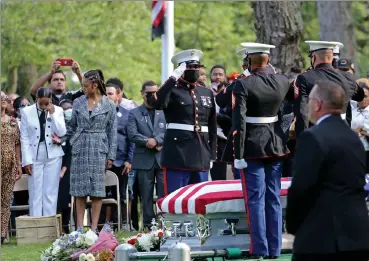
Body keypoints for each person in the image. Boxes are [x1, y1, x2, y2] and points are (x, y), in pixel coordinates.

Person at [286, 81, 369, 261]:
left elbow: (301, 187)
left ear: (317, 104)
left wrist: (293, 225)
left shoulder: (312, 137)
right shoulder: (354, 139)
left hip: (322, 238)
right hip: (357, 235)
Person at [232, 43, 293, 259]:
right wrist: (281, 133)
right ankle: (274, 249)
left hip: (251, 146)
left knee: (255, 198)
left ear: (249, 61)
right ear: (268, 60)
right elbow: (290, 110)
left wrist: (238, 155)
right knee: (273, 197)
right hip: (276, 144)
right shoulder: (283, 81)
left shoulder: (243, 84)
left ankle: (259, 248)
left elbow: (239, 122)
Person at [147, 49, 217, 194]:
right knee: (175, 197)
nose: (194, 70)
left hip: (201, 153)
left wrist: (212, 155)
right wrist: (173, 78)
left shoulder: (206, 92)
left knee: (200, 200)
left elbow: (212, 126)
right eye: (190, 67)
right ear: (181, 69)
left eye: (196, 67)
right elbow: (155, 102)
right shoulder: (171, 91)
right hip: (177, 154)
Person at [67, 69, 117, 232]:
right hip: (80, 147)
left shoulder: (109, 104)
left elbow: (112, 131)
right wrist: (65, 139)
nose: (83, 88)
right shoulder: (78, 102)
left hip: (99, 148)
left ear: (95, 85)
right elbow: (72, 126)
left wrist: (111, 155)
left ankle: (94, 228)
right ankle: (80, 229)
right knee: (79, 190)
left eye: (86, 85)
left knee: (97, 190)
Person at [293, 41, 363, 137]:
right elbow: (360, 96)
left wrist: (302, 138)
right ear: (332, 57)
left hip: (317, 134)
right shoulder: (348, 77)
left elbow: (302, 113)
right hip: (343, 132)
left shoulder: (305, 78)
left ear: (313, 58)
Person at [20, 87, 66, 217]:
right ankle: (36, 224)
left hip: (54, 154)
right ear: (36, 99)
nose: (44, 106)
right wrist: (26, 161)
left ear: (51, 100)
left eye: (47, 103)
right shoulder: (26, 112)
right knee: (35, 191)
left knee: (50, 191)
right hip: (34, 154)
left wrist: (53, 114)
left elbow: (62, 132)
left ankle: (49, 225)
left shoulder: (58, 110)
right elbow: (24, 137)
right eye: (41, 103)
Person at [127, 80, 166, 229]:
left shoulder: (163, 110)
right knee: (146, 196)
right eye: (149, 93)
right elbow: (132, 134)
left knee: (164, 195)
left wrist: (157, 141)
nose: (152, 96)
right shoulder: (134, 113)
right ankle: (149, 226)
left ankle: (164, 225)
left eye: (155, 93)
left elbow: (168, 130)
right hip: (143, 159)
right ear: (142, 94)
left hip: (162, 158)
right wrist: (147, 141)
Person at [104, 81, 134, 229]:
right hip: (102, 161)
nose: (107, 97)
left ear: (118, 96)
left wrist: (130, 160)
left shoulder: (127, 114)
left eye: (110, 94)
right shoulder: (97, 113)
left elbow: (131, 139)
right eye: (105, 94)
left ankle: (123, 224)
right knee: (103, 195)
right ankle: (104, 226)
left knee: (122, 194)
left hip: (121, 161)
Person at [1, 92, 22, 244]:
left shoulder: (13, 121)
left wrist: (19, 164)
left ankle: (3, 233)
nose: (3, 100)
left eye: (5, 98)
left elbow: (17, 144)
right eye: (0, 98)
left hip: (10, 164)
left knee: (6, 199)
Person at [57, 99, 73, 233]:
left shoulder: (72, 131)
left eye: (70, 108)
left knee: (66, 198)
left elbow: (70, 153)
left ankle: (66, 225)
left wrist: (63, 169)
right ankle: (56, 226)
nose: (68, 112)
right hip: (52, 168)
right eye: (64, 109)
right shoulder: (56, 129)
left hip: (67, 170)